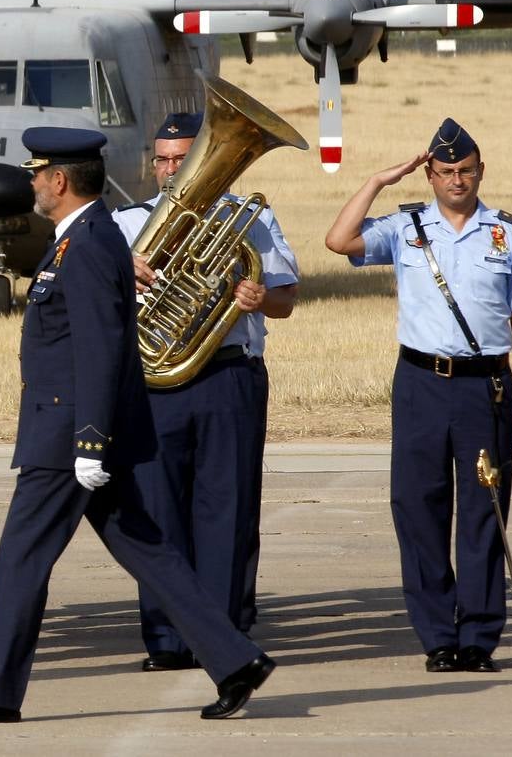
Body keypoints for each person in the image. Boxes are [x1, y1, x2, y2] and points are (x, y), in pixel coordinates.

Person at [0, 127, 274, 724]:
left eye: (38, 173)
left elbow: (101, 346)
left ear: (59, 181)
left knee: (20, 561)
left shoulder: (86, 243)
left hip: (68, 436)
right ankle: (236, 659)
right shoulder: (84, 238)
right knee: (150, 551)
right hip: (74, 429)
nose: (32, 182)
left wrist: (90, 440)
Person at [324, 118, 512, 673]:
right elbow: (339, 240)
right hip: (421, 384)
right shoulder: (406, 227)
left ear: (480, 171)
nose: (456, 180)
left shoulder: (506, 233)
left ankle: (478, 637)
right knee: (418, 508)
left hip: (486, 387)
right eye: (445, 171)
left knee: (483, 511)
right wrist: (377, 181)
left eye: (465, 170)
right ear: (430, 173)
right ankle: (437, 635)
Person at [111, 112, 299, 669]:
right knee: (157, 509)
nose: (172, 170)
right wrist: (121, 272)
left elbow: (285, 299)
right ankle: (167, 640)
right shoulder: (125, 226)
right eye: (163, 159)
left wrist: (258, 297)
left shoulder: (248, 221)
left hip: (226, 373)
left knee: (229, 508)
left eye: (183, 159)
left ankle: (226, 637)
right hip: (153, 381)